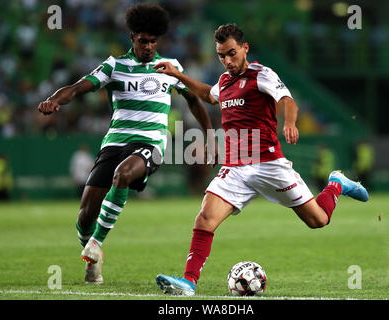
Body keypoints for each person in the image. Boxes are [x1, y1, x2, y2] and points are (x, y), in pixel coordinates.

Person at [153, 23, 369, 296]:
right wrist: (178, 74)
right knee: (205, 219)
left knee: (318, 220)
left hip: (269, 165)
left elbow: (287, 99)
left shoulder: (261, 74)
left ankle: (336, 183)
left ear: (245, 48)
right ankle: (188, 282)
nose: (227, 61)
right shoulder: (224, 82)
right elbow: (208, 95)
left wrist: (290, 122)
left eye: (232, 53)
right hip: (235, 167)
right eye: (221, 55)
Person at [37, 3, 214, 285]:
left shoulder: (171, 68)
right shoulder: (115, 66)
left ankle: (96, 243)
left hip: (151, 144)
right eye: (143, 41)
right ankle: (92, 252)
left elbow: (194, 98)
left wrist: (209, 134)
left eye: (153, 41)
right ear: (132, 37)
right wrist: (54, 100)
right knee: (85, 214)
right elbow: (78, 87)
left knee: (123, 174)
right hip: (115, 143)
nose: (149, 47)